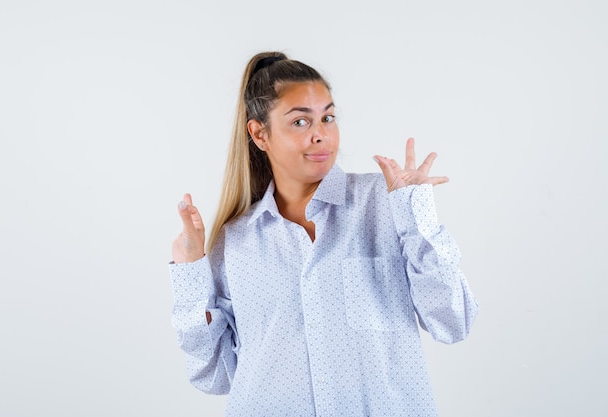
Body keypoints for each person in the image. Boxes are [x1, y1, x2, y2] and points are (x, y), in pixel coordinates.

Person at [169, 51, 478, 417]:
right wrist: (191, 268)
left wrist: (417, 215)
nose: (321, 135)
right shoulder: (235, 240)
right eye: (300, 122)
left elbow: (452, 321)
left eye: (328, 118)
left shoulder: (387, 204)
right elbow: (214, 376)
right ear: (259, 134)